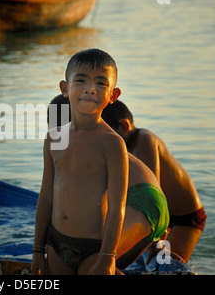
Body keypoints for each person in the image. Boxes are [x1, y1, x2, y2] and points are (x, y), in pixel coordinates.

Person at [42, 94, 170, 271]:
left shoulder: (87, 144)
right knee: (101, 262)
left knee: (99, 259)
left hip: (142, 198)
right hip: (147, 198)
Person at [32, 49, 127, 275]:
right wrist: (37, 249)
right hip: (56, 243)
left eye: (101, 83)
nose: (90, 88)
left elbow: (117, 207)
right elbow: (46, 197)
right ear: (65, 88)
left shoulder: (112, 143)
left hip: (94, 249)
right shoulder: (54, 138)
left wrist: (107, 258)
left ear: (113, 95)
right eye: (81, 80)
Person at [102, 100, 206, 263]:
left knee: (166, 263)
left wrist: (158, 241)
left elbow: (153, 188)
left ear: (124, 126)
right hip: (159, 212)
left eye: (110, 134)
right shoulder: (122, 149)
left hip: (185, 217)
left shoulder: (145, 139)